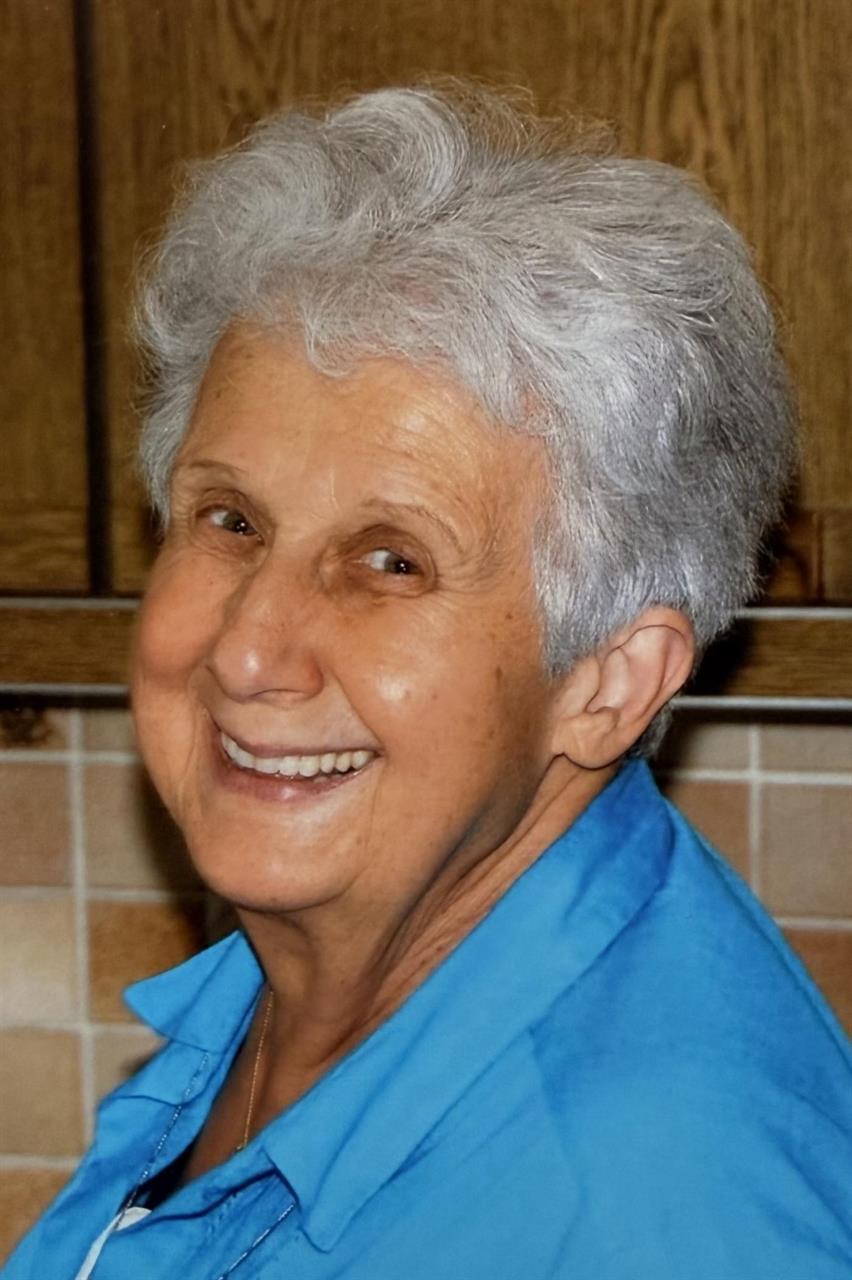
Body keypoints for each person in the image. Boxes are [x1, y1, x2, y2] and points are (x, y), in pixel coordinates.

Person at [5, 82, 851, 1280]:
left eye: (390, 561)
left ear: (609, 682)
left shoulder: (651, 1219)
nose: (247, 650)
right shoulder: (326, 963)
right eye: (231, 519)